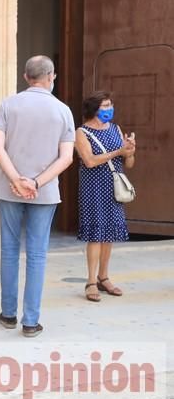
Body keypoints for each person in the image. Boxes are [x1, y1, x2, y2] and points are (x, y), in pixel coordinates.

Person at [0, 55, 75, 338]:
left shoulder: (8, 105)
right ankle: (30, 321)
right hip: (45, 190)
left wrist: (16, 179)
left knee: (9, 250)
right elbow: (66, 158)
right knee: (37, 255)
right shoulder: (63, 110)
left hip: (9, 188)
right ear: (51, 76)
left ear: (26, 77)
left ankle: (7, 314)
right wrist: (36, 181)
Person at [75, 91, 136, 302]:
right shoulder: (82, 132)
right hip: (93, 187)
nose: (109, 109)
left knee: (109, 233)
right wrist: (118, 152)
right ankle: (91, 281)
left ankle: (104, 277)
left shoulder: (116, 129)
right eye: (105, 106)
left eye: (110, 105)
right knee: (95, 234)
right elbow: (90, 161)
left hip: (113, 187)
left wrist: (130, 152)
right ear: (93, 109)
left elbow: (128, 164)